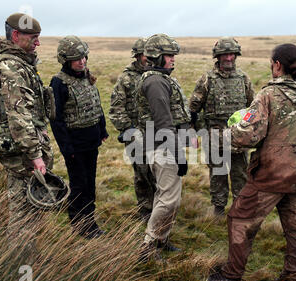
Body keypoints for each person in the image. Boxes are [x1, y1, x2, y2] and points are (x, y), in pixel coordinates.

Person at [206, 44, 296, 281]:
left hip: (270, 175)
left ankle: (231, 275)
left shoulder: (268, 94)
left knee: (239, 220)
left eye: (272, 63)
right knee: (295, 230)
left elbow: (249, 137)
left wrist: (226, 134)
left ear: (277, 65)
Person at [0, 13, 53, 261]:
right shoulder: (11, 67)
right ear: (16, 36)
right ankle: (22, 269)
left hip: (23, 149)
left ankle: (27, 260)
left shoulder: (20, 64)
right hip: (22, 154)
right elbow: (18, 115)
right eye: (33, 37)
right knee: (24, 210)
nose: (38, 43)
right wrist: (35, 155)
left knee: (29, 208)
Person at [135, 33, 191, 260]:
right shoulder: (156, 82)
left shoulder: (159, 78)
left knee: (164, 196)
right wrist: (178, 155)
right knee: (169, 200)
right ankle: (148, 247)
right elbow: (164, 122)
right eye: (169, 56)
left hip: (162, 144)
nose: (173, 60)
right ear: (158, 57)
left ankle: (161, 238)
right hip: (162, 146)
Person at [50, 35, 109, 239]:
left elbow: (96, 105)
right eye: (77, 58)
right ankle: (79, 226)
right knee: (79, 186)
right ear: (66, 60)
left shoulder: (86, 76)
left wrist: (102, 131)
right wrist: (68, 149)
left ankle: (90, 223)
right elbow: (56, 120)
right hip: (75, 147)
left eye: (84, 57)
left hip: (91, 142)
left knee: (90, 185)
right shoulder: (58, 83)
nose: (82, 61)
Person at [189, 37, 254, 216]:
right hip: (214, 136)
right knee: (218, 174)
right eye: (225, 54)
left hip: (238, 137)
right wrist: (194, 131)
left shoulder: (243, 79)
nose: (228, 58)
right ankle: (219, 208)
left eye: (232, 54)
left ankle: (239, 209)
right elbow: (194, 108)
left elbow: (253, 107)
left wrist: (248, 129)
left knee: (240, 174)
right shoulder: (207, 79)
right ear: (218, 57)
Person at [109, 38, 156, 221]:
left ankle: (160, 208)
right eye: (145, 55)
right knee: (142, 173)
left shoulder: (157, 75)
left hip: (158, 133)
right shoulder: (126, 79)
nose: (148, 58)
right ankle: (145, 210)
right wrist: (128, 129)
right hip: (136, 135)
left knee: (160, 172)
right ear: (137, 55)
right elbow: (116, 109)